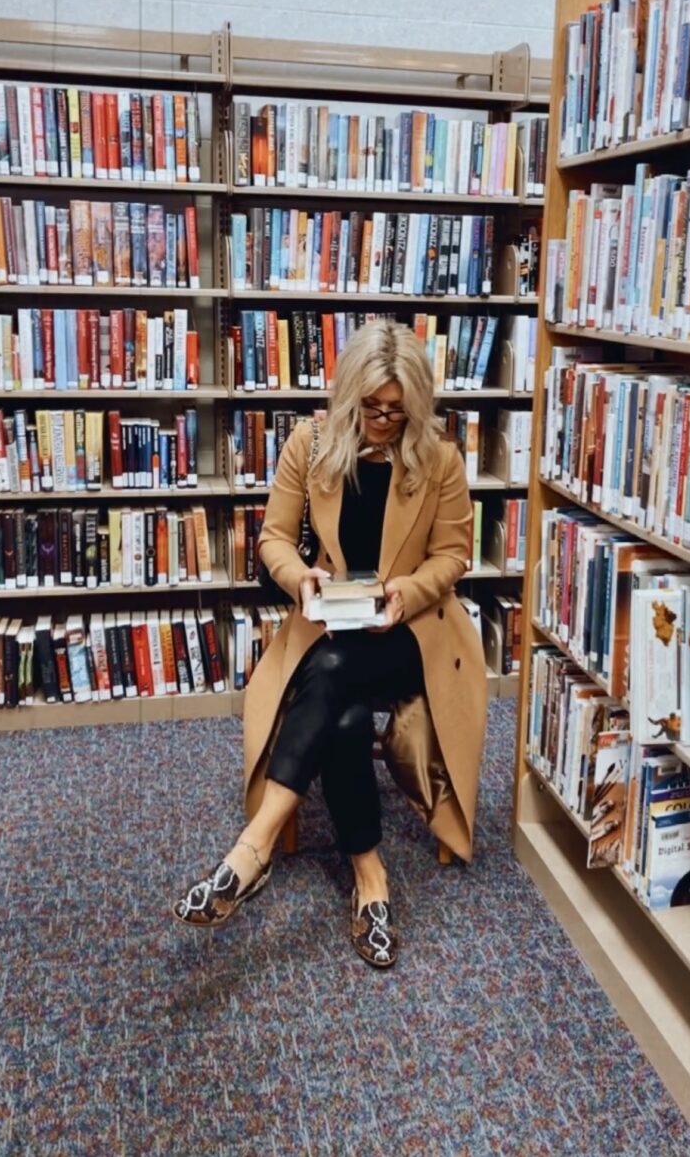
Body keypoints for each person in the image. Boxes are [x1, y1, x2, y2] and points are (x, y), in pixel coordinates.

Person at [173, 320, 487, 967]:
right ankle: (371, 881)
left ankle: (251, 849)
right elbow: (274, 539)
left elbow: (454, 553)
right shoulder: (309, 443)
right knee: (342, 711)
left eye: (397, 411)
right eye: (372, 407)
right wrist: (302, 577)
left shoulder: (441, 460)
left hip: (411, 636)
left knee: (335, 668)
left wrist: (406, 591)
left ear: (416, 406)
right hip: (331, 626)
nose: (383, 420)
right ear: (349, 397)